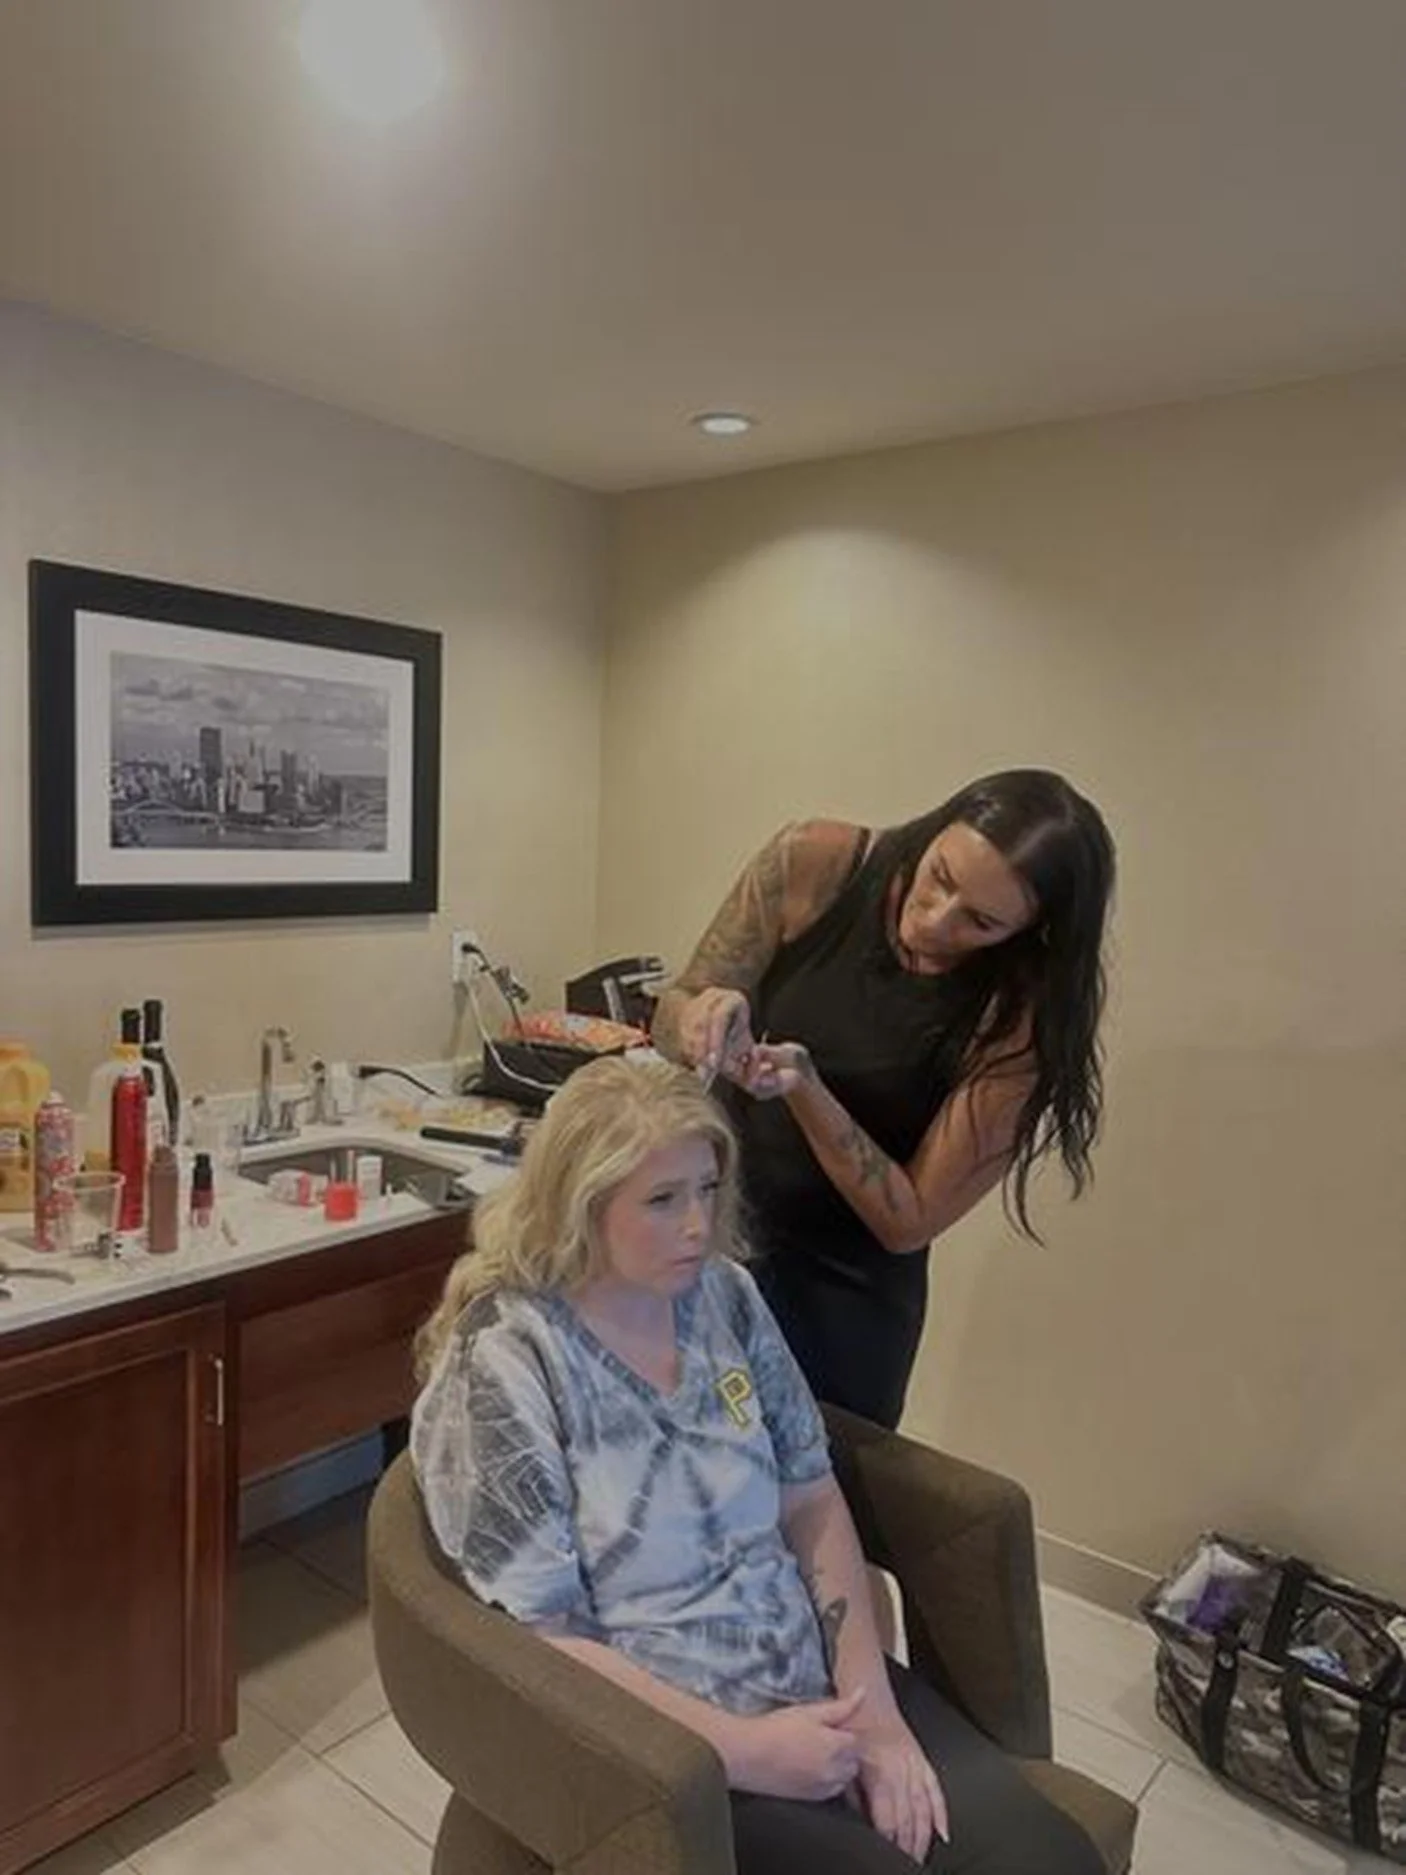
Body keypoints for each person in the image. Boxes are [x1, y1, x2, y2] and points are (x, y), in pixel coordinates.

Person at [412, 1056, 1101, 1875]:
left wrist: (874, 1712)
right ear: (581, 1203)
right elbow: (543, 1636)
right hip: (666, 1743)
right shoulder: (511, 1356)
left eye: (707, 1189)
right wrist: (742, 1751)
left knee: (1051, 1856)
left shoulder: (723, 1296)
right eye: (663, 1200)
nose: (697, 1225)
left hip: (808, 1671)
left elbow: (810, 1499)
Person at [651, 770, 1115, 1431]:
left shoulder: (1017, 1018)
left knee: (805, 1479)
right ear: (937, 828)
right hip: (707, 1244)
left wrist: (807, 1089)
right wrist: (701, 1019)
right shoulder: (815, 864)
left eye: (981, 921)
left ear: (1027, 930)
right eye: (940, 877)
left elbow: (910, 1219)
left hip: (840, 1303)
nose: (935, 920)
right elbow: (672, 1011)